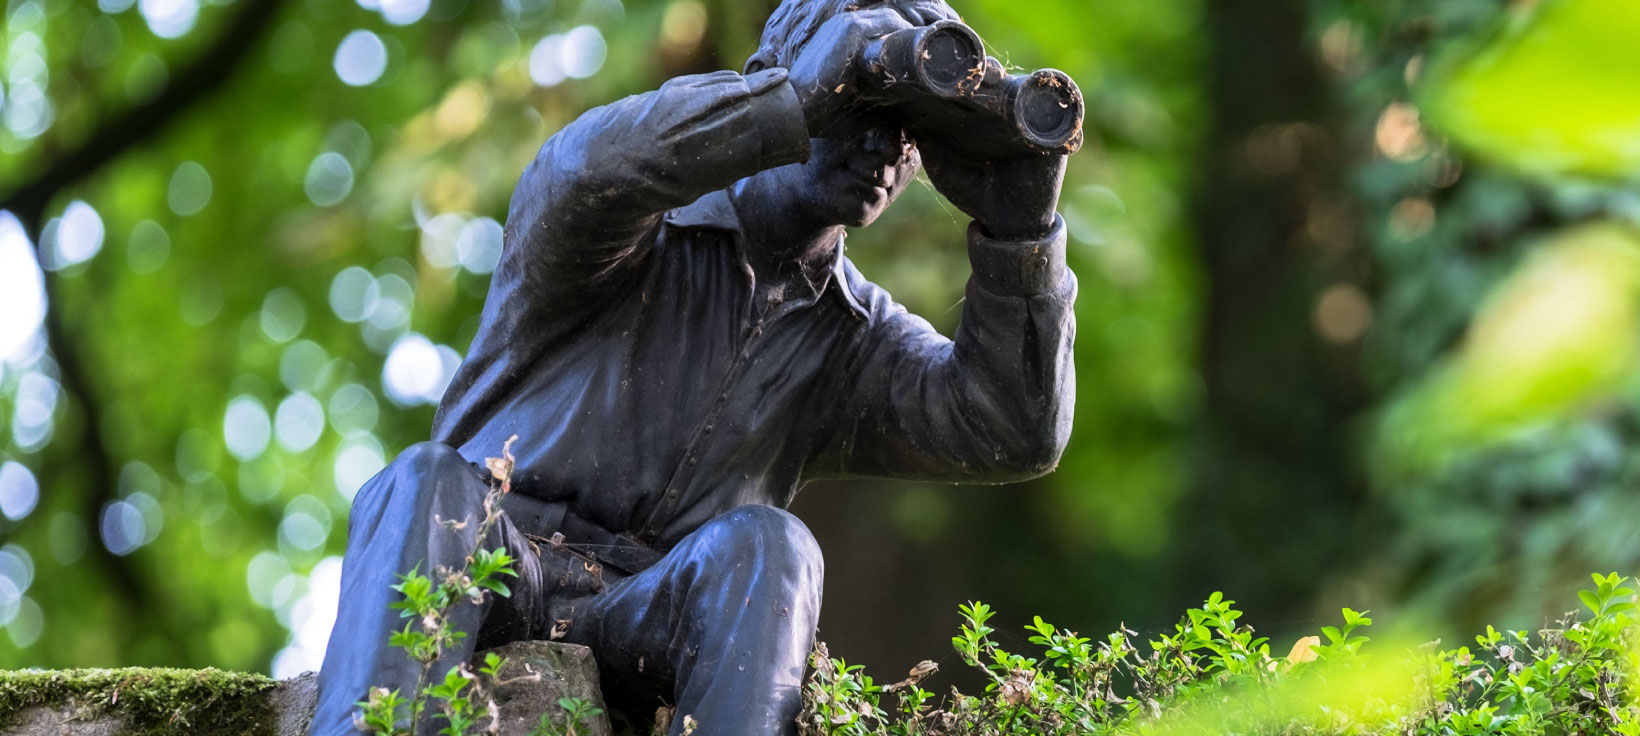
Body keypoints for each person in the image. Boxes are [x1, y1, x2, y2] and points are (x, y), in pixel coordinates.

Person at [309, 1, 1077, 733]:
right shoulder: (623, 218)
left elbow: (1010, 429)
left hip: (644, 614)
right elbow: (584, 170)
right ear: (777, 77)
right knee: (423, 482)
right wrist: (791, 102)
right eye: (867, 110)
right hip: (488, 557)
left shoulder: (854, 334)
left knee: (774, 545)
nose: (886, 149)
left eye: (912, 133)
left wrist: (1022, 234)